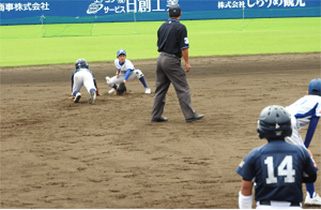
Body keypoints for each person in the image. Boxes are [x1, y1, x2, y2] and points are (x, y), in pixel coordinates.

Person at [236, 105, 318, 209]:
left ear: (261, 129)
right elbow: (311, 177)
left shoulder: (254, 154)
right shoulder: (300, 152)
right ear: (289, 128)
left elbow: (245, 189)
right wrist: (310, 158)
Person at [151, 4, 204, 123]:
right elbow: (184, 48)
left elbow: (159, 44)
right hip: (171, 60)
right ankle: (190, 115)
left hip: (160, 59)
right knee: (182, 88)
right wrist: (187, 63)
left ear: (169, 14)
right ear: (180, 14)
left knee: (160, 89)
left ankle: (156, 115)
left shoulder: (162, 26)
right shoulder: (181, 27)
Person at [285, 78, 321, 206]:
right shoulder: (320, 101)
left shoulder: (304, 99)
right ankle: (311, 196)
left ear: (308, 92)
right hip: (288, 124)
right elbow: (313, 123)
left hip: (277, 119)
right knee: (306, 157)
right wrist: (305, 146)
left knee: (281, 153)